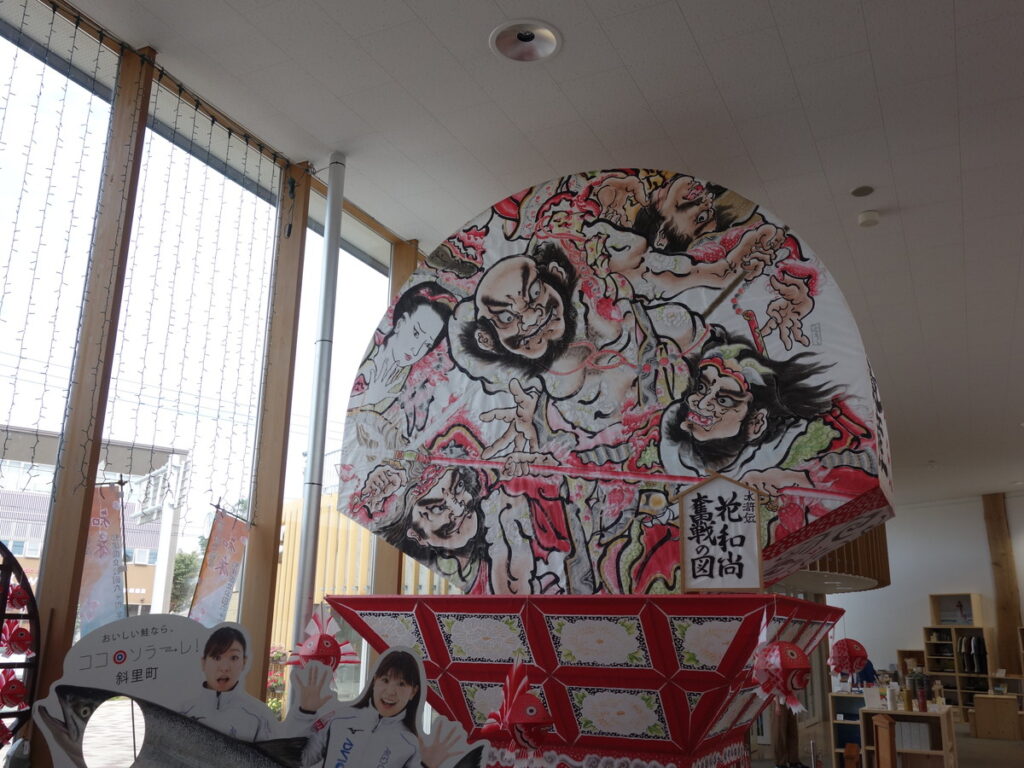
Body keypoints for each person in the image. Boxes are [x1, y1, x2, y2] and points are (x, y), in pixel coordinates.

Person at [179, 625, 315, 742]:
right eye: (216, 657)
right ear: (203, 662)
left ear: (244, 662)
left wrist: (306, 712)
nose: (225, 667)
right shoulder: (183, 712)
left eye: (234, 658)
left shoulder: (260, 716)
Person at [299, 649, 424, 768]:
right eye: (385, 680)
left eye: (401, 684)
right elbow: (301, 760)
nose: (391, 691)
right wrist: (305, 713)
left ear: (413, 692)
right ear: (375, 681)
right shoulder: (338, 718)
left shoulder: (411, 745)